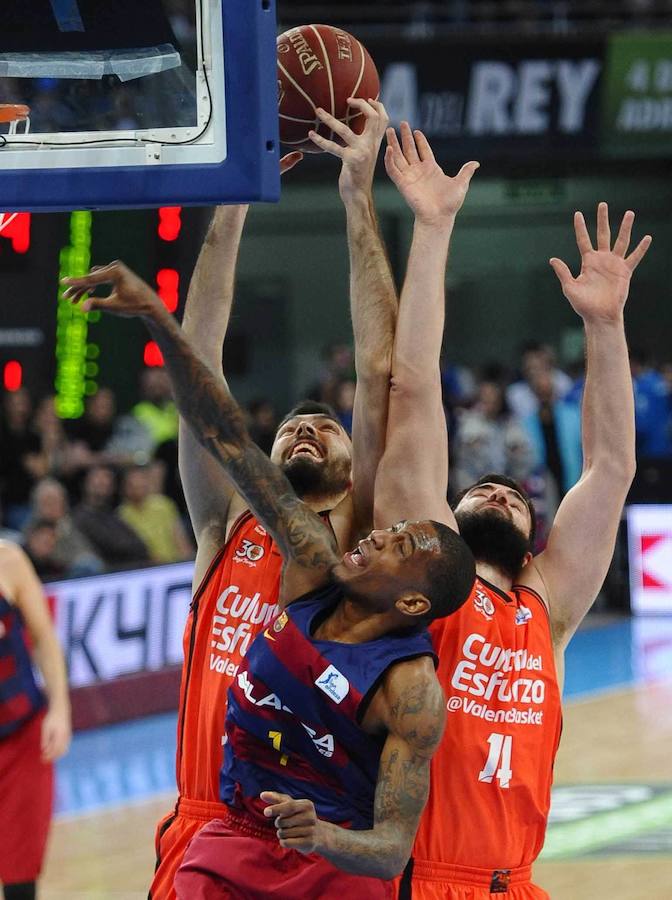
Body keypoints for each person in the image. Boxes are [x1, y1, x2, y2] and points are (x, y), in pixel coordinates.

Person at [62, 257, 475, 898]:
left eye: (400, 542)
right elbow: (225, 435)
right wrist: (157, 319)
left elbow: (393, 848)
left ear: (415, 597)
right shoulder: (308, 558)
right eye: (390, 530)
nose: (379, 533)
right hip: (232, 834)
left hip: (333, 857)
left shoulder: (413, 691)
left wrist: (322, 835)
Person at [100, 107, 396, 900]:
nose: (305, 428)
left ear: (350, 462)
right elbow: (199, 360)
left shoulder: (363, 539)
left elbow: (382, 373)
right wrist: (231, 201)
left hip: (326, 833)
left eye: (324, 428)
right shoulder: (225, 525)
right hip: (207, 830)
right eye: (292, 426)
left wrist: (356, 196)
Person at [376, 124, 651, 898]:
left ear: (535, 538)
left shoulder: (548, 604)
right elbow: (414, 392)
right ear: (448, 518)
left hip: (516, 883)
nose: (499, 491)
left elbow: (610, 466)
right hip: (420, 878)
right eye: (480, 489)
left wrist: (604, 325)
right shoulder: (425, 583)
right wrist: (432, 231)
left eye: (515, 496)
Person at [0, 540, 71, 900]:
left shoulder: (8, 559)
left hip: (22, 738)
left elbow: (44, 638)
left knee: (19, 875)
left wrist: (59, 709)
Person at [117, 465, 193, 564]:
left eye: (142, 484)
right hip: (145, 567)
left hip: (175, 562)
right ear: (125, 488)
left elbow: (179, 537)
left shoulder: (163, 504)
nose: (139, 487)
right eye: (134, 486)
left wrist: (188, 560)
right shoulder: (122, 515)